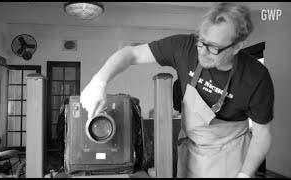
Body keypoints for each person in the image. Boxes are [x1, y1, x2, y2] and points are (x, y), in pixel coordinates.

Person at [80, 2, 274, 178]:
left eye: (213, 47)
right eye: (201, 41)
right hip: (191, 152)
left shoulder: (256, 78)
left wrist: (244, 175)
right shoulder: (185, 47)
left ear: (237, 46)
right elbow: (131, 54)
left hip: (230, 157)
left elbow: (262, 135)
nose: (202, 52)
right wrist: (99, 81)